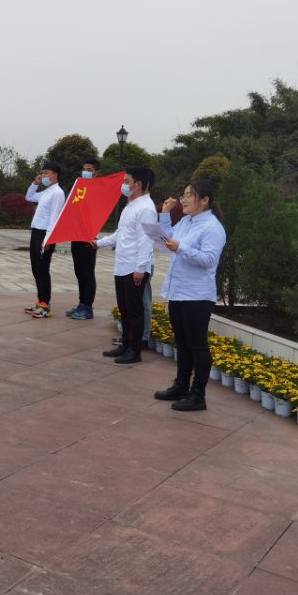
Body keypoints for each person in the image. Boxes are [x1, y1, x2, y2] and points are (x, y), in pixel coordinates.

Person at [153, 179, 226, 411]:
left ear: (204, 200)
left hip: (197, 295)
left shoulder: (212, 227)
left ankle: (198, 395)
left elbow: (209, 260)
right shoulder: (186, 221)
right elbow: (168, 242)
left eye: (188, 195)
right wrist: (164, 215)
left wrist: (181, 248)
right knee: (182, 343)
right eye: (183, 195)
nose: (183, 200)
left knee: (197, 345)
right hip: (178, 291)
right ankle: (181, 386)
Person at [95, 166, 157, 364]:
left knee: (135, 310)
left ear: (138, 184)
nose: (123, 185)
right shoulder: (130, 205)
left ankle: (135, 350)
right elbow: (120, 234)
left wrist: (140, 268)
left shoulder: (146, 208)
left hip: (134, 268)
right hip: (122, 266)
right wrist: (99, 243)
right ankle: (126, 343)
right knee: (124, 309)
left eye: (126, 181)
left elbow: (146, 241)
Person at [23, 162, 65, 318]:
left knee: (42, 269)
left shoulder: (57, 193)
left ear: (55, 175)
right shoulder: (46, 192)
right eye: (43, 173)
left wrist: (48, 239)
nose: (43, 175)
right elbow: (29, 197)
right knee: (36, 268)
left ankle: (45, 305)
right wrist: (35, 183)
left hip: (45, 235)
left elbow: (54, 218)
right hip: (36, 232)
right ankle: (40, 301)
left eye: (46, 173)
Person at [67, 158, 100, 320]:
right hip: (76, 235)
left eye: (89, 169)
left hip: (89, 237)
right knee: (79, 272)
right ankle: (81, 303)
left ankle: (88, 307)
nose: (86, 172)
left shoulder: (98, 190)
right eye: (84, 169)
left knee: (87, 272)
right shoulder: (79, 188)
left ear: (96, 173)